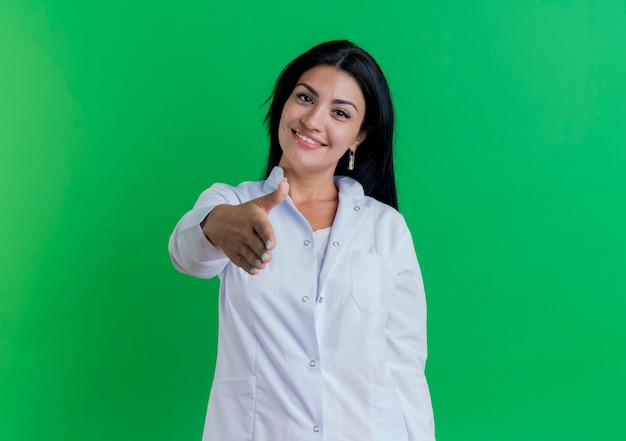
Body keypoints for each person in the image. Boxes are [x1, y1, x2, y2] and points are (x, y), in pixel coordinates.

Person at [169, 40, 435, 441]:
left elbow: (405, 367)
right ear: (284, 102)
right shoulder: (232, 203)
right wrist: (219, 225)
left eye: (340, 112)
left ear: (359, 136)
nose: (313, 120)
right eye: (305, 97)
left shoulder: (386, 228)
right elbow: (186, 254)